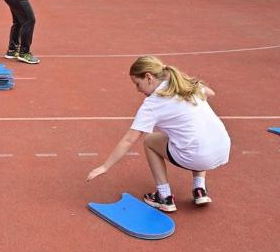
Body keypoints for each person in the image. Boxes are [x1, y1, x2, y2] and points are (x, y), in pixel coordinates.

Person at [86, 56, 230, 213]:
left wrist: (105, 167)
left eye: (137, 84)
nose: (138, 90)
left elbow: (129, 140)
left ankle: (164, 197)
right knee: (196, 132)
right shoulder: (184, 85)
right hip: (222, 148)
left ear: (148, 77)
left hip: (197, 156)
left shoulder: (153, 104)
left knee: (150, 141)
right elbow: (210, 93)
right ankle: (199, 189)